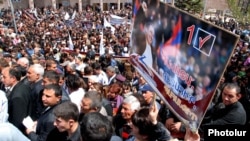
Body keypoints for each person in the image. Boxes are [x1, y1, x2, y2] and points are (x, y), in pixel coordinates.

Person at [1, 66, 32, 132]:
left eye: (4, 77)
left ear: (13, 78)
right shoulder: (23, 86)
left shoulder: (17, 97)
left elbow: (17, 121)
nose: (2, 80)